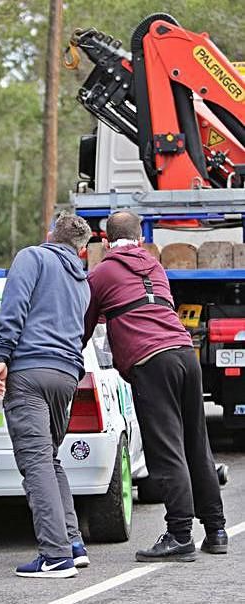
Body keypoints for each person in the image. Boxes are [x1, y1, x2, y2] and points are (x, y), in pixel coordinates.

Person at [83, 210, 227, 562]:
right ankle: (216, 530)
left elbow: (85, 323)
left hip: (151, 361)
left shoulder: (101, 273)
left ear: (105, 241)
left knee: (166, 450)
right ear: (139, 238)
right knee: (196, 443)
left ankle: (179, 535)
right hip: (184, 353)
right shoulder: (155, 267)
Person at [0, 212, 92, 578]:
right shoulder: (82, 280)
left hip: (30, 371)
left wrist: (2, 356)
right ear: (81, 249)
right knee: (49, 459)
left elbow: (13, 307)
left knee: (35, 463)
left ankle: (55, 556)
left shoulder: (32, 257)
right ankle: (73, 544)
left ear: (50, 235)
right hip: (66, 375)